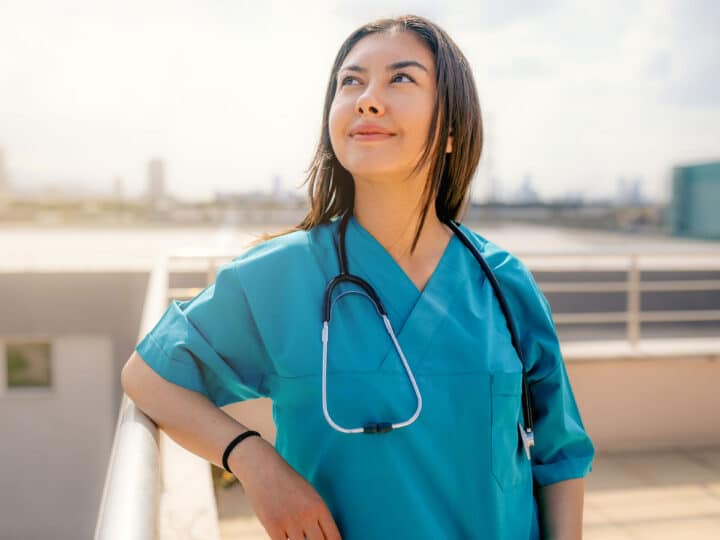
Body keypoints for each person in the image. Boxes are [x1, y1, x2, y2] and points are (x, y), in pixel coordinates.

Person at [121, 14, 594, 540]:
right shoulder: (278, 277)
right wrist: (253, 461)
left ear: (453, 132)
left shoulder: (503, 283)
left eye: (401, 78)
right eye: (351, 81)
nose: (367, 98)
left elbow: (560, 453)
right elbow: (149, 376)